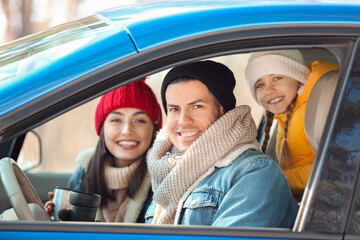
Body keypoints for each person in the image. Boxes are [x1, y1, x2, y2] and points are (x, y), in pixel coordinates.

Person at [145, 60, 298, 227]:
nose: (183, 120)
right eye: (174, 109)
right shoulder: (166, 175)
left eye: (197, 106)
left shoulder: (255, 173)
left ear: (223, 110)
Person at [45, 79, 162, 223]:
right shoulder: (84, 172)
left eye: (139, 121)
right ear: (102, 128)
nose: (127, 131)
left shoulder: (162, 176)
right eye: (116, 120)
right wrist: (55, 221)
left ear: (154, 129)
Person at [244, 49, 339, 199]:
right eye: (260, 85)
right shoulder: (286, 115)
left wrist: (277, 180)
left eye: (277, 78)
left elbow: (331, 171)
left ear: (298, 77)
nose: (269, 90)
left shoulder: (313, 111)